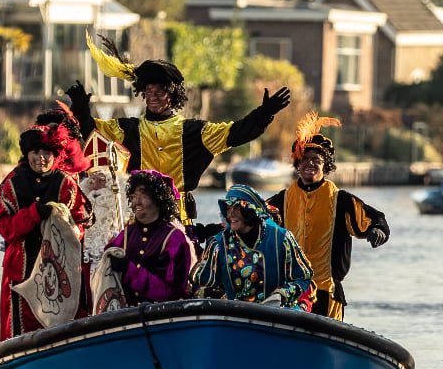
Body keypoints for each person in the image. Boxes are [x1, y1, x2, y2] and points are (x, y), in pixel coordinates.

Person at [65, 33, 291, 222]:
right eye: (149, 92)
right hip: (136, 215)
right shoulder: (127, 129)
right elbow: (90, 131)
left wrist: (264, 113)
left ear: (172, 96)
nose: (152, 97)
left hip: (177, 217)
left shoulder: (195, 132)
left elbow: (238, 132)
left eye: (159, 92)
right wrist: (81, 108)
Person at [266, 114, 390, 320]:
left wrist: (377, 230)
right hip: (289, 291)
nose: (310, 164)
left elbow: (375, 218)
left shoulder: (340, 200)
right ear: (297, 164)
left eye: (317, 160)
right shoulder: (282, 200)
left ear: (326, 166)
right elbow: (251, 220)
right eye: (305, 159)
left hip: (326, 293)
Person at [0, 124, 90, 340]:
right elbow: (1, 226)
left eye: (46, 152)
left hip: (61, 269)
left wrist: (64, 226)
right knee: (19, 332)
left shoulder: (66, 183)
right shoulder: (14, 183)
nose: (41, 158)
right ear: (27, 154)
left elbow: (82, 223)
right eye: (35, 152)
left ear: (54, 154)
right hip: (20, 270)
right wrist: (33, 214)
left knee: (62, 327)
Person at [189, 184, 314, 309]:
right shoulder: (218, 244)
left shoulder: (281, 238)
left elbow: (303, 277)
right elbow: (200, 283)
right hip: (234, 317)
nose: (231, 214)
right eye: (228, 208)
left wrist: (282, 295)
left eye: (236, 208)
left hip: (278, 315)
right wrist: (215, 294)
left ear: (250, 211)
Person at [100, 169, 196, 307]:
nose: (136, 202)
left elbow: (170, 292)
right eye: (133, 196)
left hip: (163, 316)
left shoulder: (174, 238)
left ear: (158, 198)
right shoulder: (126, 234)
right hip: (126, 315)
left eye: (143, 195)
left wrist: (129, 269)